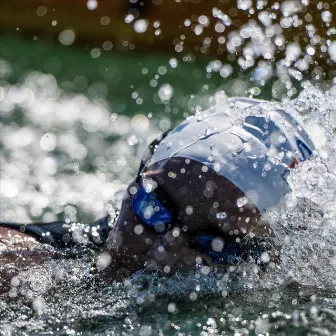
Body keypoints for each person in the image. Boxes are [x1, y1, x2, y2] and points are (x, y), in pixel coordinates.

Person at [0, 97, 315, 281]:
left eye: (211, 243)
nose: (163, 252)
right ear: (134, 183)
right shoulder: (20, 266)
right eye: (154, 210)